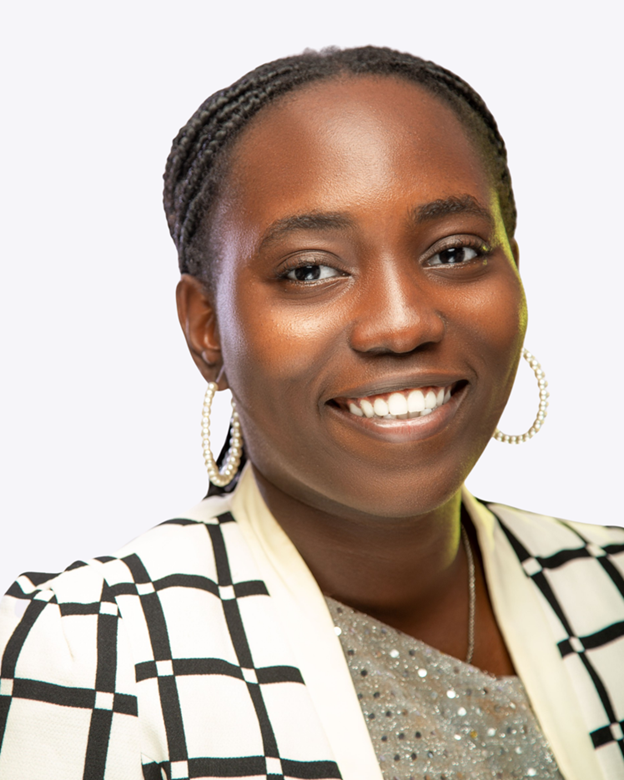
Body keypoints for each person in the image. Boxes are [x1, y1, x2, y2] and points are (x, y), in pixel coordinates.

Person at [0, 46, 622, 780]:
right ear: (206, 329)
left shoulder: (611, 586)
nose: (400, 323)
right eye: (310, 270)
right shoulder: (95, 648)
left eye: (453, 253)